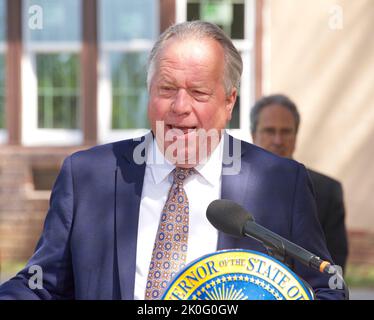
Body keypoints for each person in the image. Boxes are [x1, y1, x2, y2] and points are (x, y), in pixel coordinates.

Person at [0, 22, 345, 300]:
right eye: (166, 89)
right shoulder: (87, 176)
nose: (180, 107)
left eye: (198, 92)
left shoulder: (282, 184)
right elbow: (42, 285)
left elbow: (325, 288)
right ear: (149, 92)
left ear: (228, 102)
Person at [250, 94, 348, 272]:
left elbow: (336, 264)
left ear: (296, 136)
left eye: (286, 132)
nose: (278, 140)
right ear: (253, 134)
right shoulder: (232, 185)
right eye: (270, 131)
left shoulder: (327, 191)